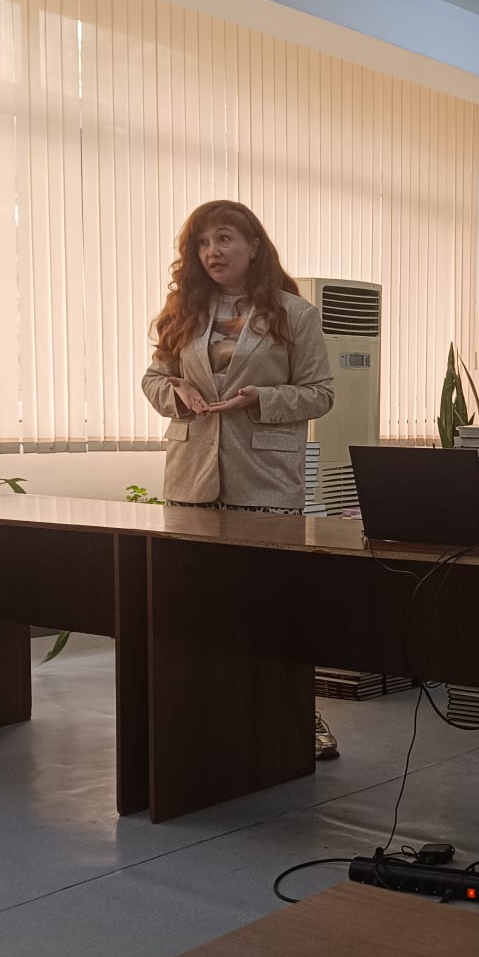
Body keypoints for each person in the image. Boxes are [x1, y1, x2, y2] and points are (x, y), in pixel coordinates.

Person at [141, 200, 341, 759]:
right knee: (196, 604)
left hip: (265, 480)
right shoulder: (184, 312)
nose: (213, 251)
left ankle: (299, 715)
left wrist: (263, 398)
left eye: (224, 238)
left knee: (271, 606)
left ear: (254, 245)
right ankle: (208, 716)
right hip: (191, 479)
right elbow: (153, 379)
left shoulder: (294, 314)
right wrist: (175, 391)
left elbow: (321, 393)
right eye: (203, 243)